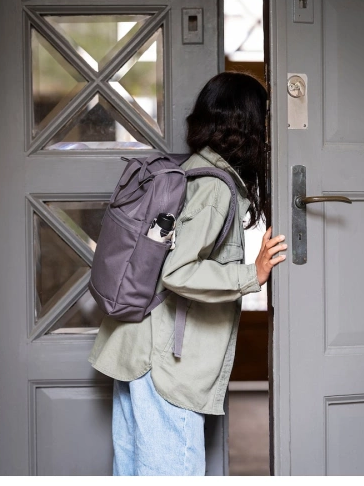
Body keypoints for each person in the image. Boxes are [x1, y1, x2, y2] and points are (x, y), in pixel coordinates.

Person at [87, 71, 287, 476]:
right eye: (266, 120)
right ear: (248, 126)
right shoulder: (215, 188)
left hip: (135, 347)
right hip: (164, 364)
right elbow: (179, 272)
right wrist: (253, 274)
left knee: (132, 470)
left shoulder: (190, 169)